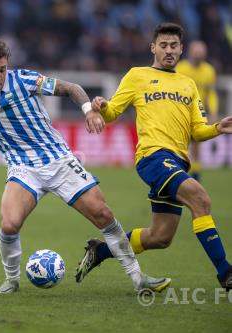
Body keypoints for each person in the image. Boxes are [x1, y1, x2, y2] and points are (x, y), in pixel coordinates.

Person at [0, 39, 171, 295]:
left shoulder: (23, 80)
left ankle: (138, 278)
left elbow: (71, 88)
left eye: (2, 69)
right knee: (9, 224)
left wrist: (88, 110)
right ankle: (12, 280)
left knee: (103, 214)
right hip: (23, 169)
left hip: (60, 161)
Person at [76, 23, 232, 291]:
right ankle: (227, 274)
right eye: (163, 45)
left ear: (181, 49)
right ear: (153, 48)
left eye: (174, 46)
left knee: (160, 237)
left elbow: (196, 131)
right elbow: (113, 113)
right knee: (201, 198)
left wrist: (217, 128)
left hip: (177, 161)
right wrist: (102, 107)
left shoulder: (188, 84)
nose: (169, 50)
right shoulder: (138, 76)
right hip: (153, 157)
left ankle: (99, 252)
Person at [175, 41, 219, 181]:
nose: (199, 56)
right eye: (196, 53)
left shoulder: (209, 71)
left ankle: (195, 178)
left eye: (201, 53)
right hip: (181, 112)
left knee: (196, 148)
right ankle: (178, 175)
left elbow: (211, 94)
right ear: (190, 53)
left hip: (198, 113)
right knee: (179, 147)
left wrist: (213, 112)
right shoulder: (181, 68)